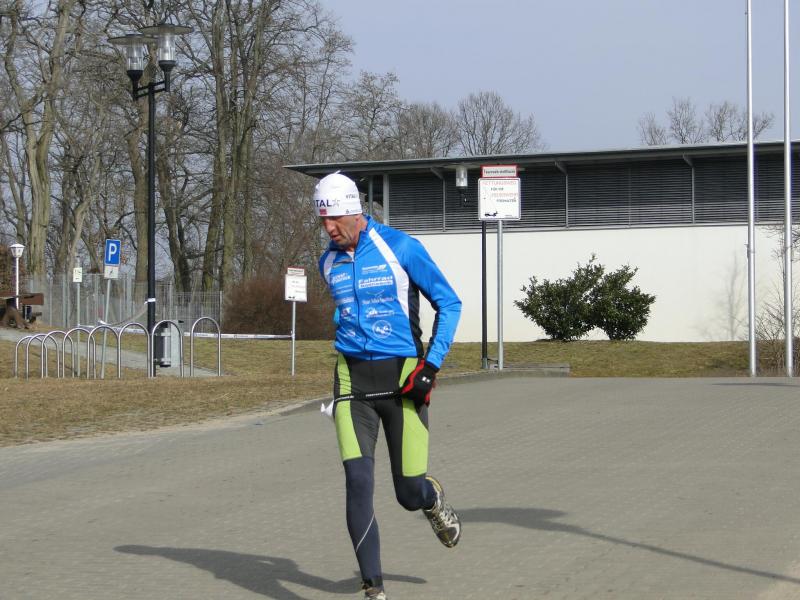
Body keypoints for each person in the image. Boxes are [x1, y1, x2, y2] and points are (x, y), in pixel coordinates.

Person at [315, 172, 462, 600]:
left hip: (403, 381)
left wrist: (430, 366)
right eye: (322, 220)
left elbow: (449, 303)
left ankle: (431, 499)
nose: (328, 228)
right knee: (358, 482)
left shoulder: (400, 248)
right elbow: (346, 314)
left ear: (355, 211)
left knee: (407, 493)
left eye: (335, 219)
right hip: (351, 381)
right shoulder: (328, 263)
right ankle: (374, 589)